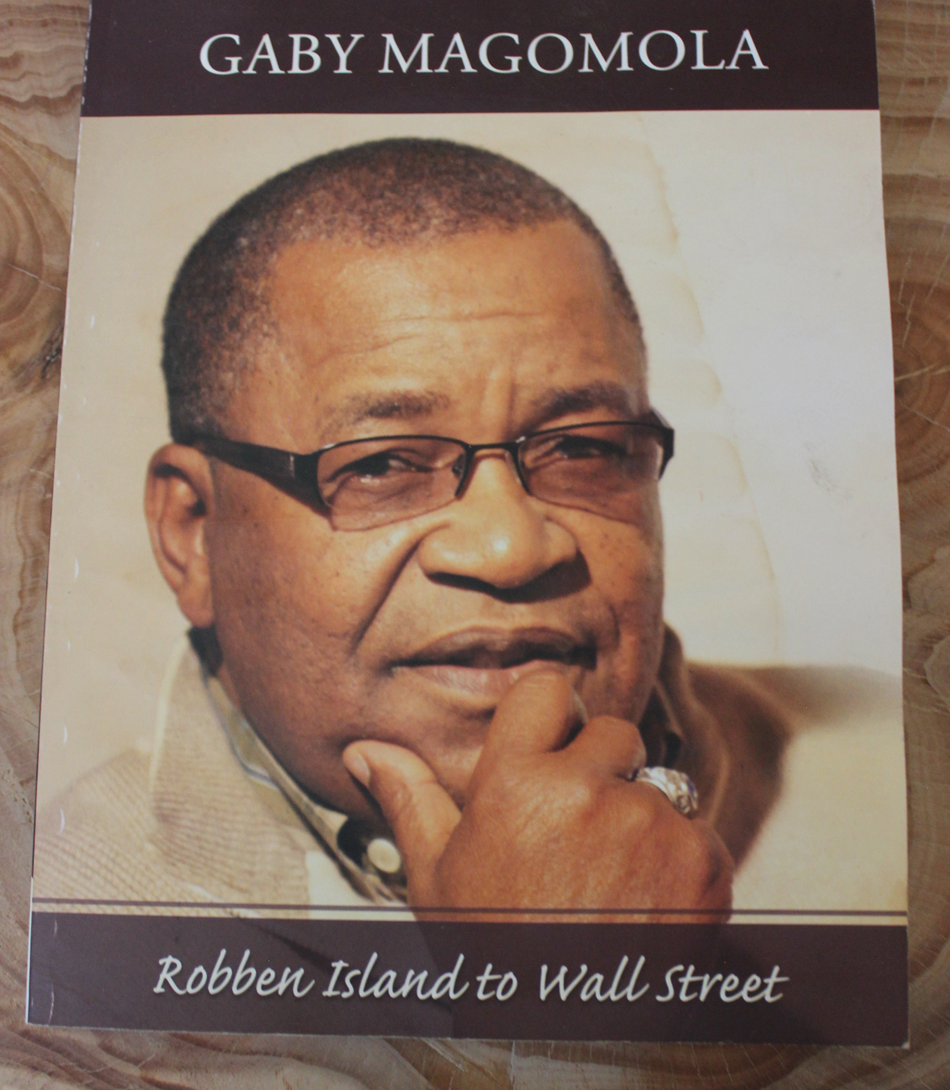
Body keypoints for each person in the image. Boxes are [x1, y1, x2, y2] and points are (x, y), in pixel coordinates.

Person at [33, 138, 902, 919]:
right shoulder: (64, 907)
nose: (511, 548)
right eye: (381, 465)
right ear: (192, 533)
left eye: (584, 449)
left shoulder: (897, 796)